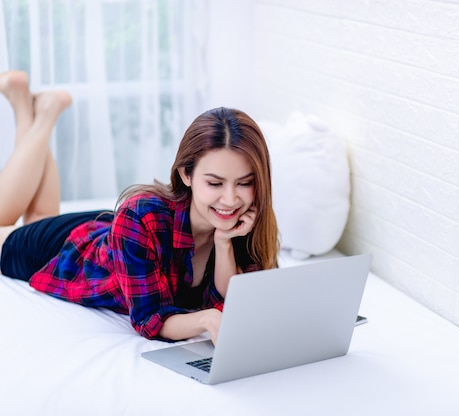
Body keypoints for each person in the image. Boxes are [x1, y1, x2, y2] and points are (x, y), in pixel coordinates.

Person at [0, 70, 280, 344]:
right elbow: (149, 319)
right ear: (186, 174)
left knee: (38, 215)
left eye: (244, 183)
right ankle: (43, 116)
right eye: (215, 184)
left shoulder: (247, 224)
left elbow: (230, 303)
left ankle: (29, 108)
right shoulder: (141, 215)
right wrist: (204, 320)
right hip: (67, 250)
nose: (230, 200)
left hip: (114, 234)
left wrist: (223, 244)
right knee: (7, 224)